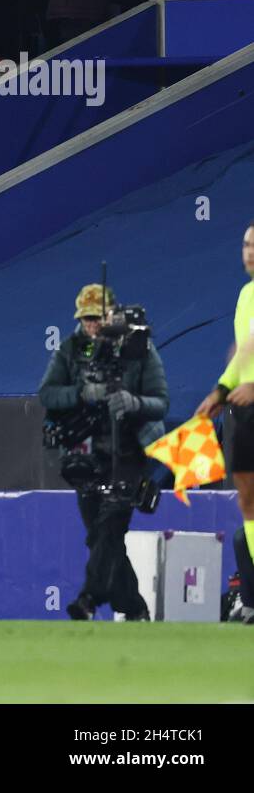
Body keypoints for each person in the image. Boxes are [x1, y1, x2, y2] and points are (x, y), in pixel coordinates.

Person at [38, 283, 168, 622]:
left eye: (98, 318)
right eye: (86, 319)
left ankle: (88, 599)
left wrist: (133, 402)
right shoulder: (70, 350)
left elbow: (161, 403)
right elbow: (48, 394)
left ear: (113, 314)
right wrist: (82, 393)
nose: (92, 325)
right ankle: (134, 608)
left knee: (110, 524)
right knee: (101, 535)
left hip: (129, 453)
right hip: (87, 455)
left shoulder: (139, 348)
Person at [195, 222, 254, 625]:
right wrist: (220, 392)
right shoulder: (246, 295)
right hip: (243, 410)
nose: (249, 251)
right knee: (248, 504)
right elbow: (246, 352)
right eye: (246, 243)